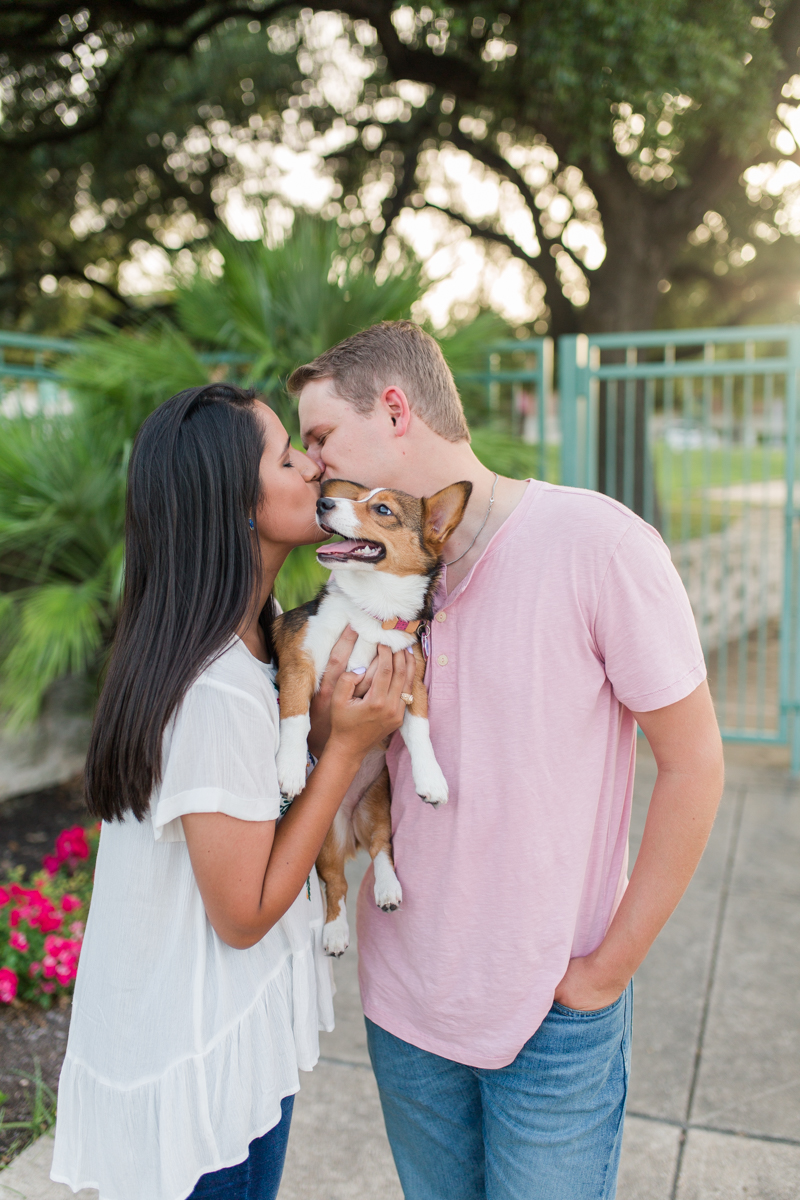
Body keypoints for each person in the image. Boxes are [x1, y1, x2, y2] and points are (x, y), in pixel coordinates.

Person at [289, 321, 725, 1200]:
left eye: (323, 437)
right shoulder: (370, 576)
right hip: (406, 1006)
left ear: (396, 409)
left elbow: (695, 764)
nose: (312, 464)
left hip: (552, 1016)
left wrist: (607, 971)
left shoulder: (600, 544)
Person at [51, 383, 415, 1200]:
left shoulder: (262, 633)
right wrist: (342, 753)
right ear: (235, 505)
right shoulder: (212, 688)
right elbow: (243, 914)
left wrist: (325, 737)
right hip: (193, 1070)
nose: (314, 463)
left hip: (228, 1044)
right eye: (288, 457)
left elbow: (266, 809)